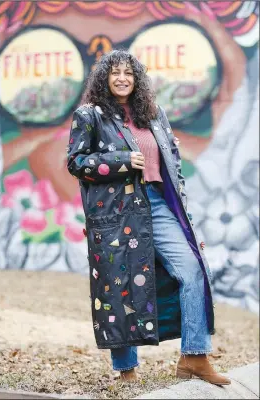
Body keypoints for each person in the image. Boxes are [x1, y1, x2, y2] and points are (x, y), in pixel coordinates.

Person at [66, 49, 231, 386]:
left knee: (193, 269)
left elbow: (174, 169)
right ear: (105, 78)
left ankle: (194, 357)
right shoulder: (90, 115)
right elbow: (75, 162)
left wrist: (186, 221)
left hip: (157, 204)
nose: (122, 78)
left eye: (128, 72)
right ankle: (127, 371)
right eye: (115, 73)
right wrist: (121, 160)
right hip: (117, 211)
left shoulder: (153, 114)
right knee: (119, 289)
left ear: (137, 78)